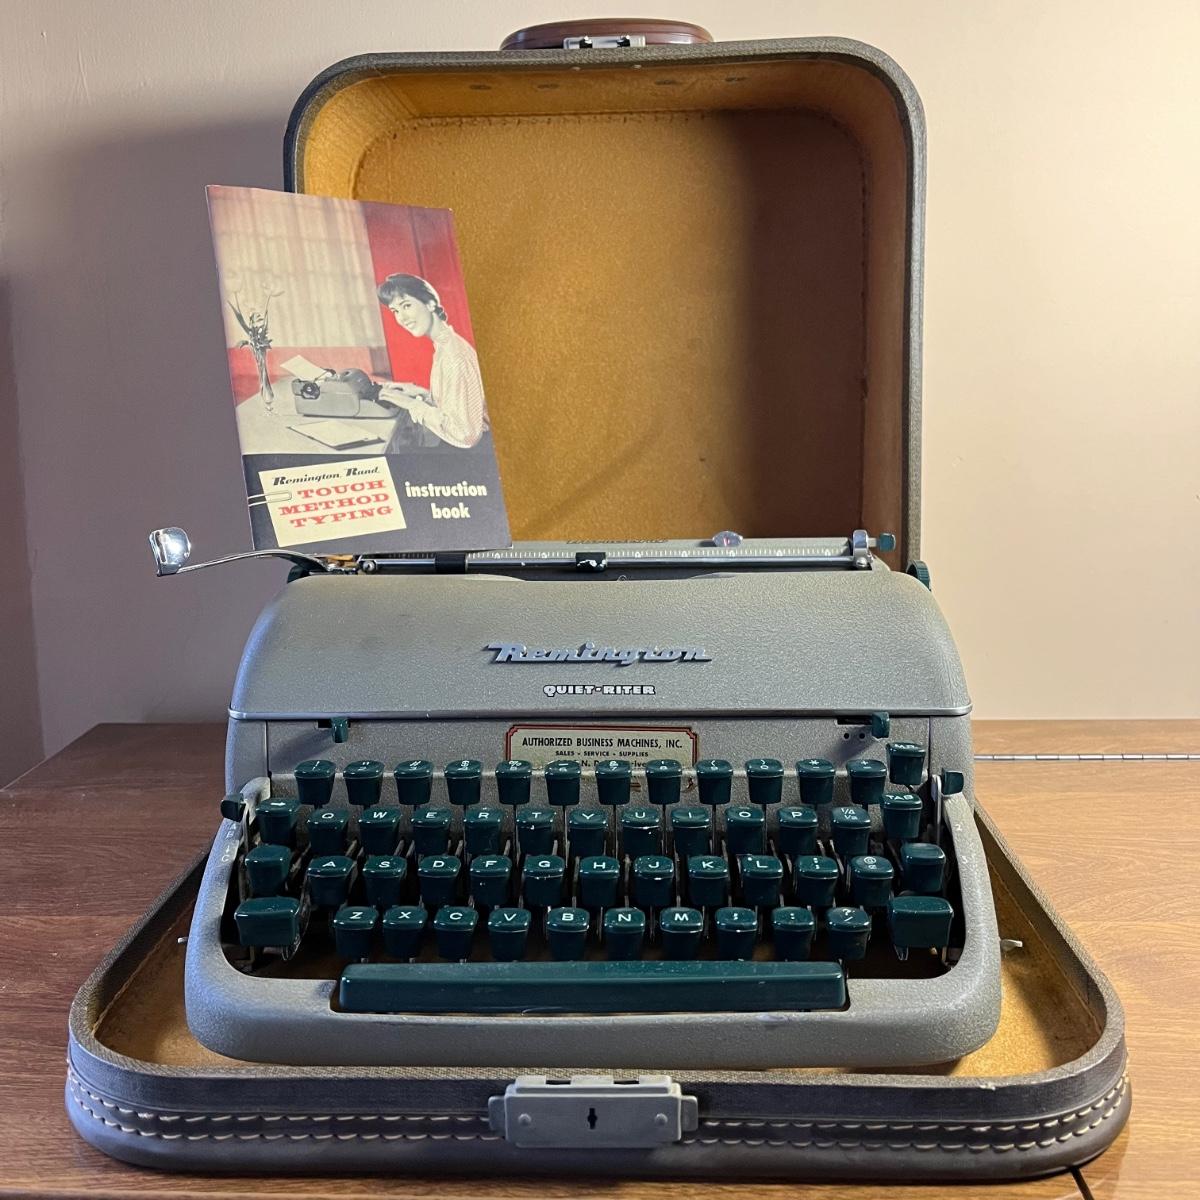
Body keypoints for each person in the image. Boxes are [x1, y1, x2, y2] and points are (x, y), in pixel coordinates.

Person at [375, 273, 489, 450]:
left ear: (430, 303)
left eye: (406, 305)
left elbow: (466, 436)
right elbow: (459, 405)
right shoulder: (446, 344)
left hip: (473, 452)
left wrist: (411, 404)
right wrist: (422, 394)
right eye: (395, 311)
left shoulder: (454, 356)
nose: (402, 318)